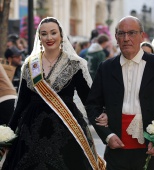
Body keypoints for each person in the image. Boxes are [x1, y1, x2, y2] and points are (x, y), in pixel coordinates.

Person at [2, 17, 106, 170]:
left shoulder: (74, 63)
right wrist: (7, 135)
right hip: (31, 130)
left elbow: (87, 99)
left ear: (61, 35)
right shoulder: (30, 64)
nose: (49, 38)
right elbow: (21, 104)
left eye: (53, 33)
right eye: (44, 34)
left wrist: (101, 115)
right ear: (39, 37)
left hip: (66, 128)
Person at [86, 16, 154, 170]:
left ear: (142, 36)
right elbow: (92, 105)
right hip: (116, 150)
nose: (126, 38)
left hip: (152, 150)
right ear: (116, 38)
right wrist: (107, 135)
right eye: (121, 34)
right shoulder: (106, 68)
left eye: (131, 33)